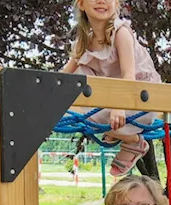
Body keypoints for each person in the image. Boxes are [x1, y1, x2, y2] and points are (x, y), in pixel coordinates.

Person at [61, 0, 162, 176]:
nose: (102, 1)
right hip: (114, 101)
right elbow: (63, 77)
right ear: (82, 4)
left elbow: (129, 76)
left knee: (87, 115)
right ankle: (125, 137)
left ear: (116, 4)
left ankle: (133, 140)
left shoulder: (120, 32)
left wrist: (118, 106)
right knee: (78, 76)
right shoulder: (83, 42)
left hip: (139, 98)